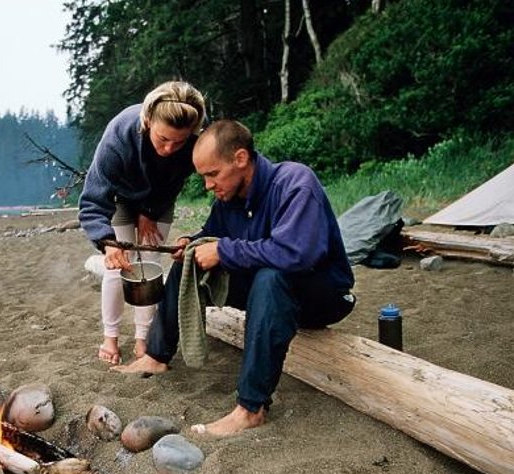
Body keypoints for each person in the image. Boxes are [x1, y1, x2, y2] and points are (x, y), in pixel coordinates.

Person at [113, 120, 356, 436]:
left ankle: (251, 408)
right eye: (203, 177)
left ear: (240, 159)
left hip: (324, 295)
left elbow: (297, 254)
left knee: (271, 277)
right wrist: (192, 242)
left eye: (212, 174)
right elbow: (212, 236)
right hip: (267, 290)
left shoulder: (295, 183)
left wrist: (223, 251)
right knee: (190, 261)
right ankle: (156, 356)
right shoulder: (228, 198)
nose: (208, 185)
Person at [78, 81, 207, 365]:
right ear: (147, 122)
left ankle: (142, 339)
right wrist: (107, 242)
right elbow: (92, 200)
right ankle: (109, 338)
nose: (170, 149)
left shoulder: (192, 143)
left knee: (150, 266)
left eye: (179, 141)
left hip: (159, 200)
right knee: (118, 266)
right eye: (163, 139)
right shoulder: (119, 136)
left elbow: (174, 183)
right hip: (122, 197)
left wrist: (149, 211)